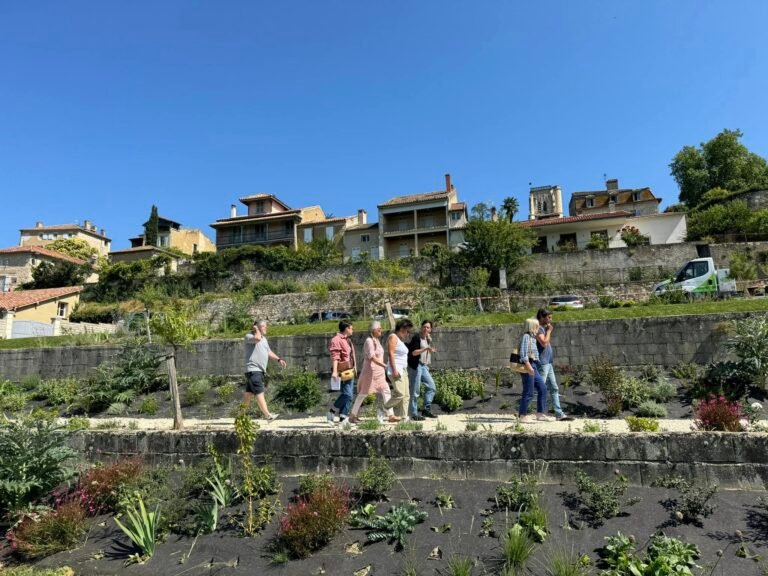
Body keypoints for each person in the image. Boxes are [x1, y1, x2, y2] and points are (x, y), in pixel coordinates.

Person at [348, 321, 401, 424]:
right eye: (379, 328)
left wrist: (383, 367)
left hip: (379, 373)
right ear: (374, 330)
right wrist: (385, 365)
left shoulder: (376, 340)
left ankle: (390, 415)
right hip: (370, 372)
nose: (381, 330)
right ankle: (353, 415)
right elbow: (372, 357)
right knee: (363, 393)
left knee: (386, 391)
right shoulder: (369, 341)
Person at [243, 320, 286, 420]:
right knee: (259, 391)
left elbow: (268, 352)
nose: (266, 328)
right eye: (264, 326)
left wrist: (279, 359)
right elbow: (257, 339)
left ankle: (241, 416)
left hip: (260, 370)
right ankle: (267, 415)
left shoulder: (264, 339)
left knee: (248, 395)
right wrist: (256, 329)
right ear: (257, 327)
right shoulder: (249, 336)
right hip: (253, 369)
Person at [536, 308, 574, 421]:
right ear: (542, 317)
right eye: (548, 317)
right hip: (542, 363)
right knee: (541, 388)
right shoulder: (538, 328)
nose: (550, 320)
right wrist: (549, 331)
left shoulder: (543, 328)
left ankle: (559, 413)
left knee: (554, 388)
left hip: (548, 362)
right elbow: (543, 343)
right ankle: (540, 412)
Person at [517, 317, 554, 423]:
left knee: (542, 388)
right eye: (537, 326)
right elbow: (523, 354)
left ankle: (540, 413)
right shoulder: (526, 337)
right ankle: (522, 415)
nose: (539, 328)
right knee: (528, 391)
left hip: (534, 365)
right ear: (533, 326)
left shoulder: (532, 338)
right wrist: (529, 366)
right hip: (528, 365)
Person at [326, 320, 356, 424]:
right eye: (351, 328)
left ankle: (343, 417)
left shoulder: (347, 340)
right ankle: (332, 411)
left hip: (349, 371)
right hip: (341, 371)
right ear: (346, 328)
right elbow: (335, 356)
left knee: (350, 395)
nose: (353, 330)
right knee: (347, 395)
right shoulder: (336, 340)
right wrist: (334, 371)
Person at [407, 319, 437, 420]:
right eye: (424, 327)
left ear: (430, 329)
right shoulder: (416, 337)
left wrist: (429, 347)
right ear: (421, 327)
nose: (425, 329)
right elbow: (414, 353)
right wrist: (426, 349)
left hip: (424, 366)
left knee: (431, 386)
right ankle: (413, 414)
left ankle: (426, 410)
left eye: (428, 327)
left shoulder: (427, 338)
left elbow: (428, 350)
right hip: (416, 366)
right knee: (415, 391)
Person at [384, 318, 413, 419]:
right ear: (401, 328)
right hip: (396, 369)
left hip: (403, 370)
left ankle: (404, 417)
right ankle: (385, 407)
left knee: (406, 395)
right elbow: (391, 353)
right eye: (407, 331)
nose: (408, 334)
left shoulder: (400, 340)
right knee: (400, 393)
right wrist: (394, 369)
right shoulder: (393, 337)